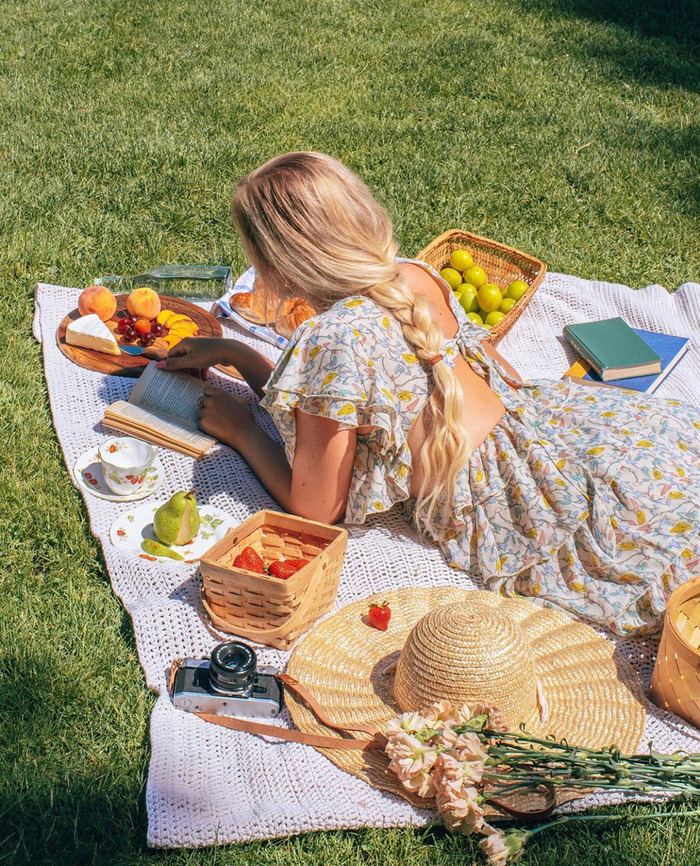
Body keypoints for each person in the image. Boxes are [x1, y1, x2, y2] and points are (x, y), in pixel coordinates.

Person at [157, 152, 700, 637]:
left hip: (506, 496)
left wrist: (244, 430)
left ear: (277, 263)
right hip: (543, 428)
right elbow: (351, 398)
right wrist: (243, 357)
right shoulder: (413, 275)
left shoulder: (331, 338)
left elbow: (319, 508)